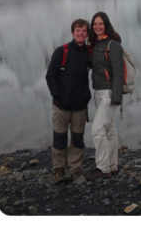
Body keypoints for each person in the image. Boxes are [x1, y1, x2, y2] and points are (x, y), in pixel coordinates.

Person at [45, 18, 91, 184]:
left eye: (84, 31)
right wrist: (58, 95)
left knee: (78, 139)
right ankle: (59, 169)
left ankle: (75, 168)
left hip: (80, 106)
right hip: (61, 106)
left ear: (87, 34)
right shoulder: (61, 51)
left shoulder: (88, 52)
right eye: (78, 30)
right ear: (73, 33)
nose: (81, 33)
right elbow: (50, 76)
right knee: (59, 138)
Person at [89, 11, 124, 179]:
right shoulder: (95, 45)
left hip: (109, 93)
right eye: (95, 23)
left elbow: (118, 73)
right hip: (98, 92)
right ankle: (112, 164)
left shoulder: (113, 45)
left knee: (97, 129)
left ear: (106, 25)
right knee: (109, 129)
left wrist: (117, 97)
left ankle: (102, 168)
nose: (97, 26)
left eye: (100, 23)